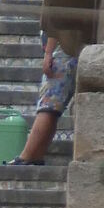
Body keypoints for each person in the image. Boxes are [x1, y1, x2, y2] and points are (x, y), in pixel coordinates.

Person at [18, 35, 77, 164]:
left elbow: (57, 23)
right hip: (70, 52)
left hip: (63, 53)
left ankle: (26, 156)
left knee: (47, 107)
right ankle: (36, 156)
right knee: (52, 111)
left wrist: (48, 53)